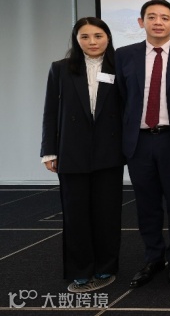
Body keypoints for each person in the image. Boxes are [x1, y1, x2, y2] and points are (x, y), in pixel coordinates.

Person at [115, 0, 170, 288]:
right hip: (139, 142)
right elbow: (121, 98)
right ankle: (153, 257)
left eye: (165, 18)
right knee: (146, 204)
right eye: (151, 17)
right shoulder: (124, 55)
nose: (158, 22)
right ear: (141, 22)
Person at [40, 17, 125, 292]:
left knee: (107, 213)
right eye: (85, 37)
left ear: (108, 37)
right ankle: (80, 270)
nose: (92, 42)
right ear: (76, 40)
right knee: (75, 214)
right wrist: (48, 150)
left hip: (109, 150)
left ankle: (106, 266)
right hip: (71, 151)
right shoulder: (61, 68)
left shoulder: (120, 67)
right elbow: (50, 111)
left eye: (98, 36)